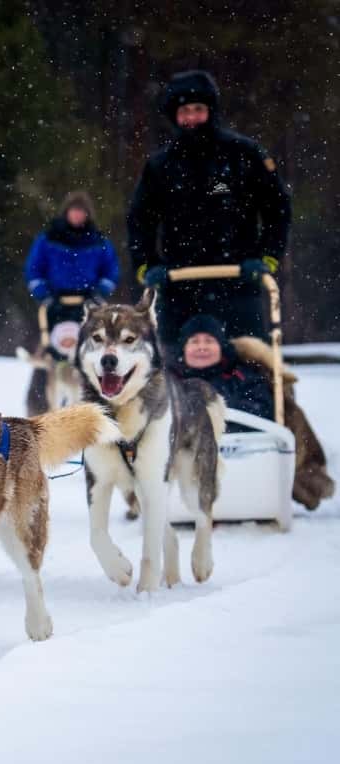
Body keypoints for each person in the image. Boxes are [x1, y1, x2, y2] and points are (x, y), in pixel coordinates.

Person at [128, 70, 292, 359]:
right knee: (177, 370)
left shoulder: (244, 154)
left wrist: (267, 256)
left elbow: (277, 209)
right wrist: (147, 265)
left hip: (239, 282)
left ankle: (257, 405)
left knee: (251, 364)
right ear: (174, 116)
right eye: (185, 111)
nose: (191, 118)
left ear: (211, 111)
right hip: (180, 285)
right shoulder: (160, 165)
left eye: (198, 110)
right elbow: (140, 220)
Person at [175, 314, 335, 511]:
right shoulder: (171, 381)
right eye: (194, 341)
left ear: (222, 346)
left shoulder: (243, 375)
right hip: (187, 458)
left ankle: (303, 479)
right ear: (183, 348)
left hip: (247, 456)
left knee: (289, 413)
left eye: (209, 340)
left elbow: (261, 409)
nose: (202, 347)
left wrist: (220, 411)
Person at [24, 190, 120, 334]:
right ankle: (52, 352)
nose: (77, 215)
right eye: (74, 210)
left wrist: (101, 292)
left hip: (89, 299)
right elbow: (34, 268)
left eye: (81, 211)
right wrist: (42, 293)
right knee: (55, 337)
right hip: (55, 299)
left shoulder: (99, 241)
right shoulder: (49, 238)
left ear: (87, 214)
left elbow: (111, 270)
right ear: (66, 212)